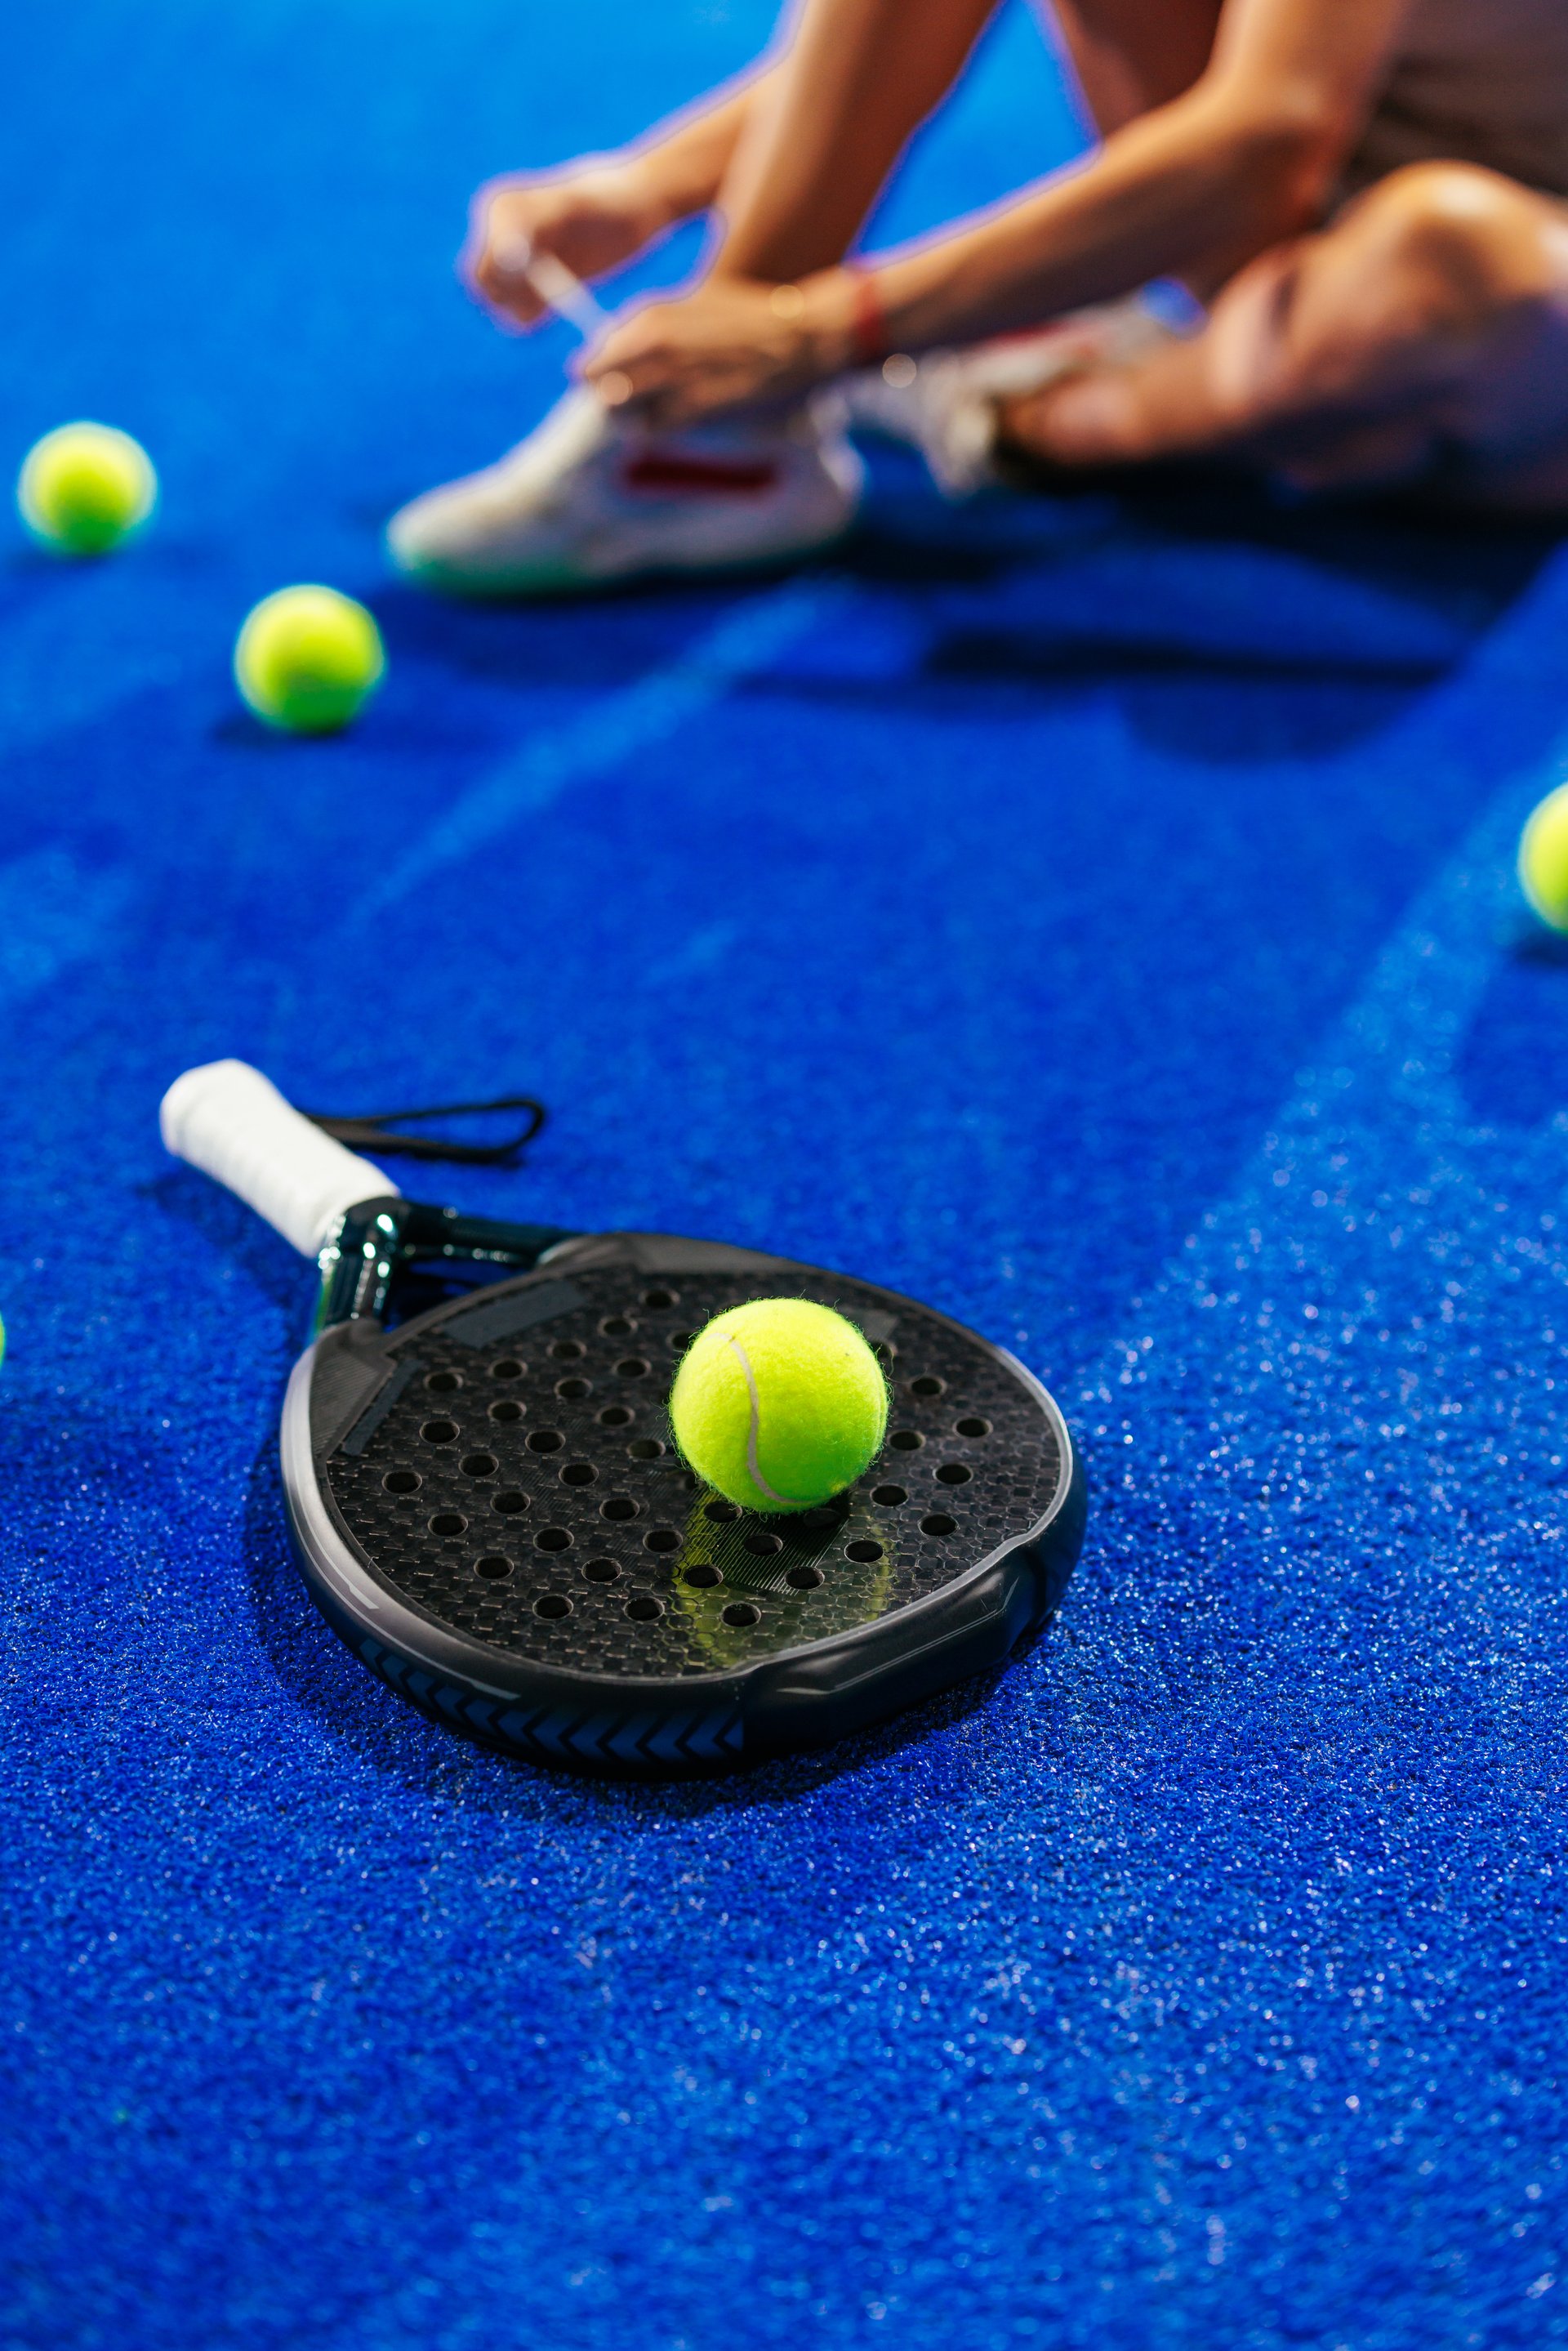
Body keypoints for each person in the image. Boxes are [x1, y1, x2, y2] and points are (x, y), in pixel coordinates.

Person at [388, 0, 1568, 594]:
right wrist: (648, 185)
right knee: (1424, 261)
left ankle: (1029, 418)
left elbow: (1269, 135)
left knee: (1451, 265)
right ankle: (709, 446)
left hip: (1524, 312)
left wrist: (824, 331)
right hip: (1328, 229)